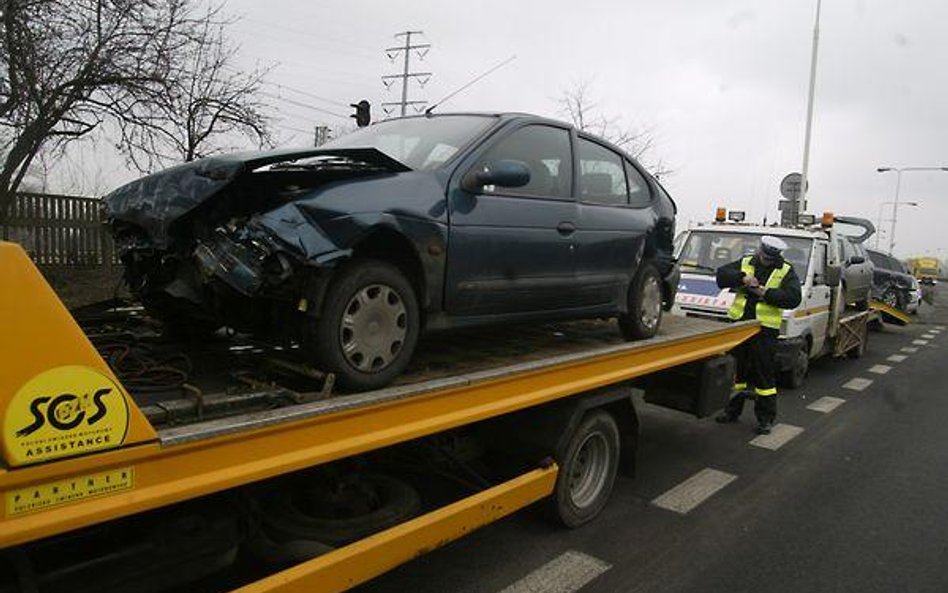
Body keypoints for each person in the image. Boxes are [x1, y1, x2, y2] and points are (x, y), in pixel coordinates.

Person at [714, 235, 802, 434]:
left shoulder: (786, 270)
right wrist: (742, 278)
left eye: (770, 258)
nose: (765, 259)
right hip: (740, 326)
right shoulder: (746, 262)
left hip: (764, 331)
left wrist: (763, 293)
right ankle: (731, 411)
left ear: (776, 256)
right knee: (737, 373)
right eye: (764, 255)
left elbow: (793, 298)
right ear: (760, 250)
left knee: (764, 378)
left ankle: (765, 420)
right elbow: (721, 275)